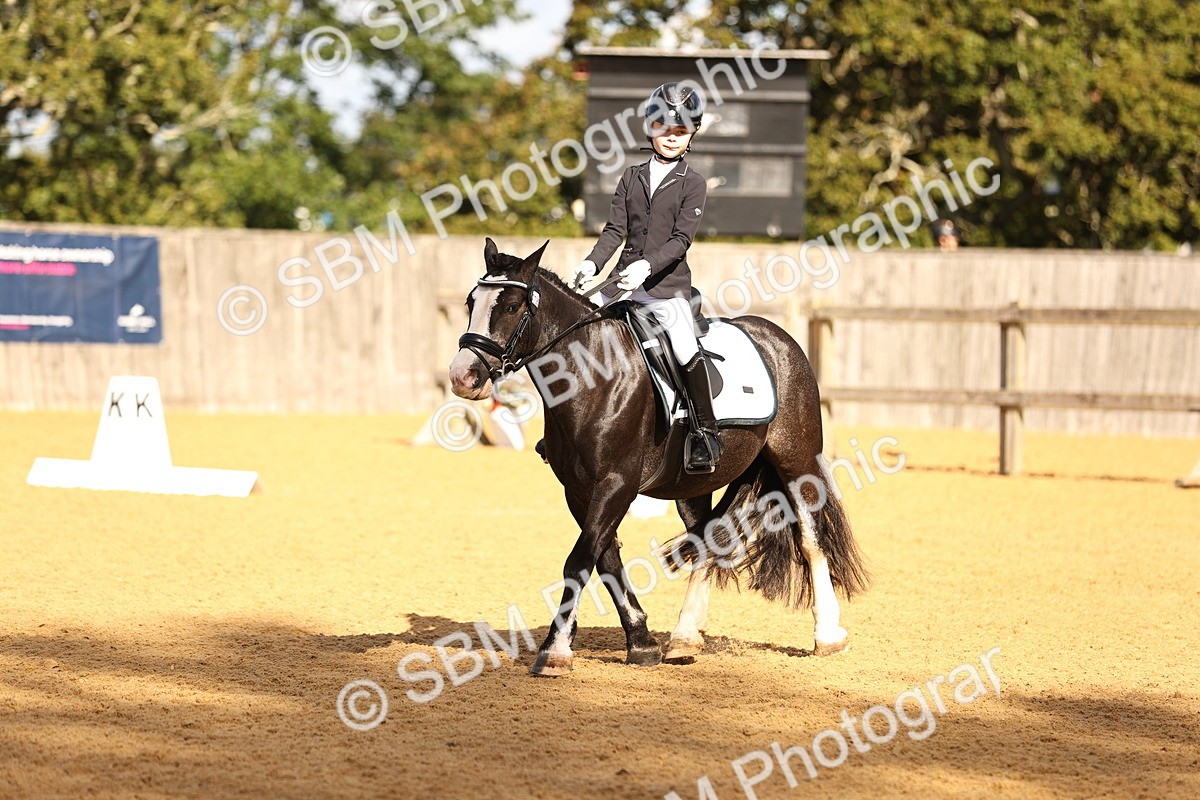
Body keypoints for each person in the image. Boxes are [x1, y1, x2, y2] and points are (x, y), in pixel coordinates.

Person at [573, 82, 720, 473]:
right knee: (579, 332)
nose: (671, 138)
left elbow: (680, 241)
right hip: (621, 283)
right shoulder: (632, 177)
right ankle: (566, 424)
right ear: (650, 128)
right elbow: (613, 231)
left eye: (681, 131)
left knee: (686, 348)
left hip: (666, 288)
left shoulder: (693, 183)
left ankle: (705, 433)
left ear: (691, 134)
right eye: (664, 128)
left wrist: (647, 266)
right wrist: (592, 264)